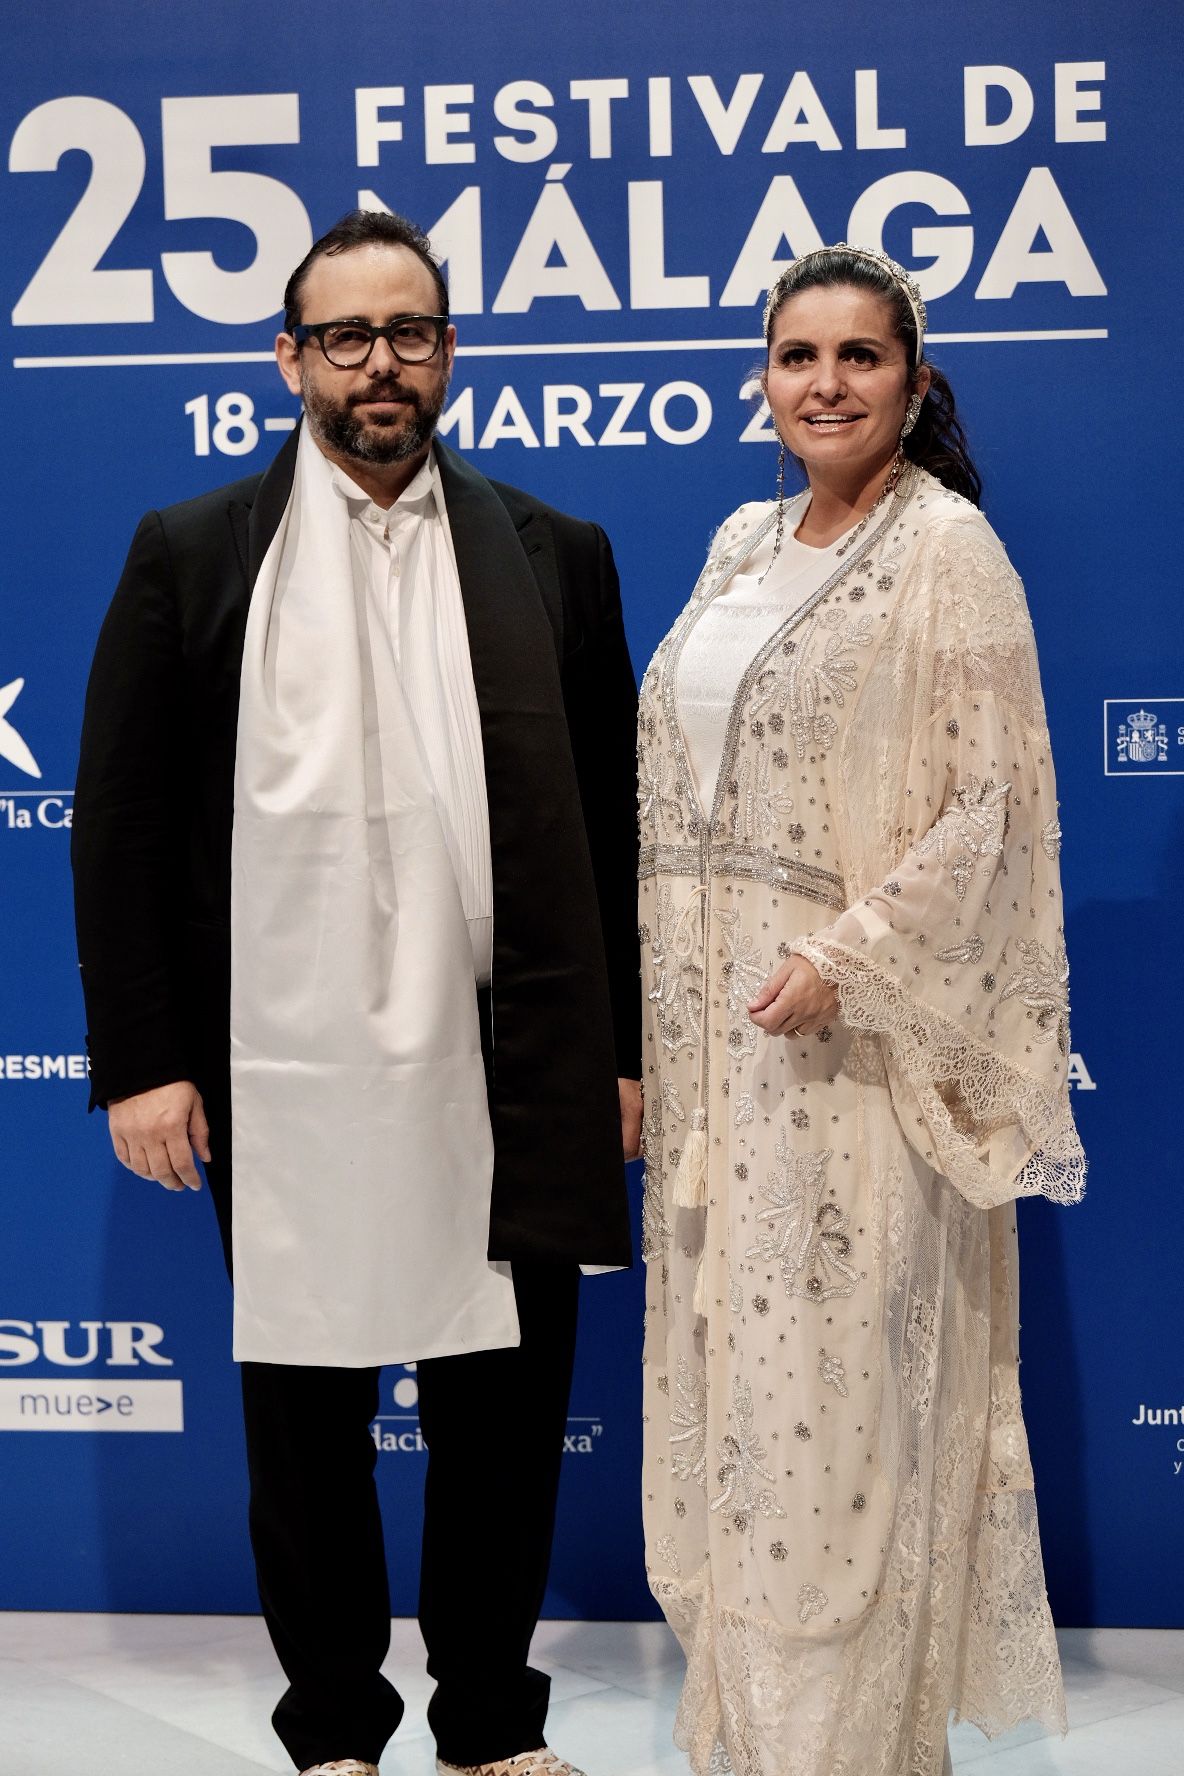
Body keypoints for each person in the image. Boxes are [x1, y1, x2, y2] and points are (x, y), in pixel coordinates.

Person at [71, 208, 642, 1776]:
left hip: (510, 1048)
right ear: (289, 357)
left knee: (507, 1413)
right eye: (346, 336)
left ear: (450, 351)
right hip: (281, 1066)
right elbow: (117, 828)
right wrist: (140, 1058)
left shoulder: (556, 555)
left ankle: (487, 1728)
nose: (380, 365)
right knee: (306, 1416)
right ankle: (333, 1729)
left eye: (411, 332)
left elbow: (612, 827)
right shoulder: (190, 556)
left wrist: (623, 1048)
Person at [637, 243, 1084, 1776]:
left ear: (912, 380)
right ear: (764, 378)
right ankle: (747, 1745)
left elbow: (989, 811)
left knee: (837, 1431)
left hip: (848, 1062)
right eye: (795, 356)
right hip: (713, 1072)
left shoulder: (947, 549)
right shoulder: (735, 542)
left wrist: (847, 949)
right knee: (735, 1422)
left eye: (859, 357)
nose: (824, 383)